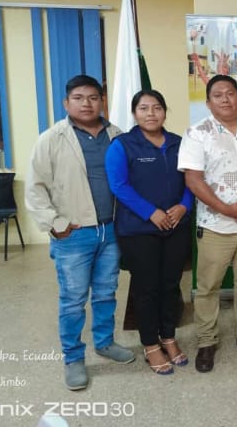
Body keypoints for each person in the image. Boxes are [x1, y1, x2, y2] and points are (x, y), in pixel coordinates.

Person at [25, 75, 136, 389]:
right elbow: (35, 188)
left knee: (106, 293)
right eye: (78, 98)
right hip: (74, 234)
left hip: (110, 230)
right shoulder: (51, 138)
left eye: (93, 97)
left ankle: (104, 342)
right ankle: (73, 358)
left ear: (102, 101)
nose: (86, 103)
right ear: (66, 103)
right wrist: (55, 224)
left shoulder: (117, 135)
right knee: (73, 300)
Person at [177, 75, 237, 372]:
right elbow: (193, 180)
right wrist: (226, 209)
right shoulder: (197, 133)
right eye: (217, 95)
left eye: (230, 93)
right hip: (216, 225)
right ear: (208, 103)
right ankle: (206, 341)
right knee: (208, 286)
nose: (225, 99)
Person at [104, 91, 193, 375]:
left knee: (171, 284)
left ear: (165, 112)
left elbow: (192, 179)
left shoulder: (179, 143)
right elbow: (119, 186)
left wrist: (184, 206)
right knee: (146, 288)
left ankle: (168, 337)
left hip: (176, 226)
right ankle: (150, 343)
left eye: (157, 108)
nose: (151, 113)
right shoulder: (122, 145)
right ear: (134, 114)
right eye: (143, 108)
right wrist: (150, 212)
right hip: (139, 229)